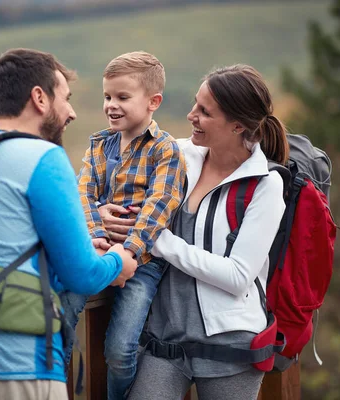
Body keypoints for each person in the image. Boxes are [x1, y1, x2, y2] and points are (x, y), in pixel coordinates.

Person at [0, 48, 138, 400]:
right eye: (66, 98)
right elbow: (83, 275)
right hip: (19, 365)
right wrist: (119, 261)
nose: (71, 111)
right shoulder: (43, 158)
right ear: (39, 98)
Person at [103, 64, 289, 400]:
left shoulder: (265, 185)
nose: (191, 116)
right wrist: (102, 211)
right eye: (194, 104)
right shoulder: (175, 155)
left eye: (205, 112)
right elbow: (112, 183)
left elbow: (237, 276)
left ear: (237, 126)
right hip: (165, 338)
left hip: (230, 346)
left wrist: (158, 240)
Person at [60, 51, 186, 400]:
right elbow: (82, 192)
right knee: (64, 303)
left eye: (122, 97)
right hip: (100, 251)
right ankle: (57, 385)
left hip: (142, 264)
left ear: (153, 102)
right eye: (107, 97)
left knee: (120, 350)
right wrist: (99, 240)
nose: (111, 105)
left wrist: (127, 252)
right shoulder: (100, 145)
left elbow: (159, 207)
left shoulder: (165, 150)